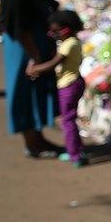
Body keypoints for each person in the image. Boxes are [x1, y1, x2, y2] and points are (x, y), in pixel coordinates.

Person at [0, 0, 61, 158]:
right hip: (23, 46)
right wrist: (34, 55)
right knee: (24, 92)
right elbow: (18, 27)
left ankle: (39, 138)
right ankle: (31, 144)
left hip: (38, 43)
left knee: (39, 91)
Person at [27, 10, 86, 167]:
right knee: (70, 119)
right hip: (73, 82)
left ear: (66, 30)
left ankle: (75, 155)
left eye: (55, 31)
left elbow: (54, 63)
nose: (52, 34)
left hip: (69, 85)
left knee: (67, 121)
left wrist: (36, 69)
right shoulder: (72, 41)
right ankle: (77, 149)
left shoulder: (69, 44)